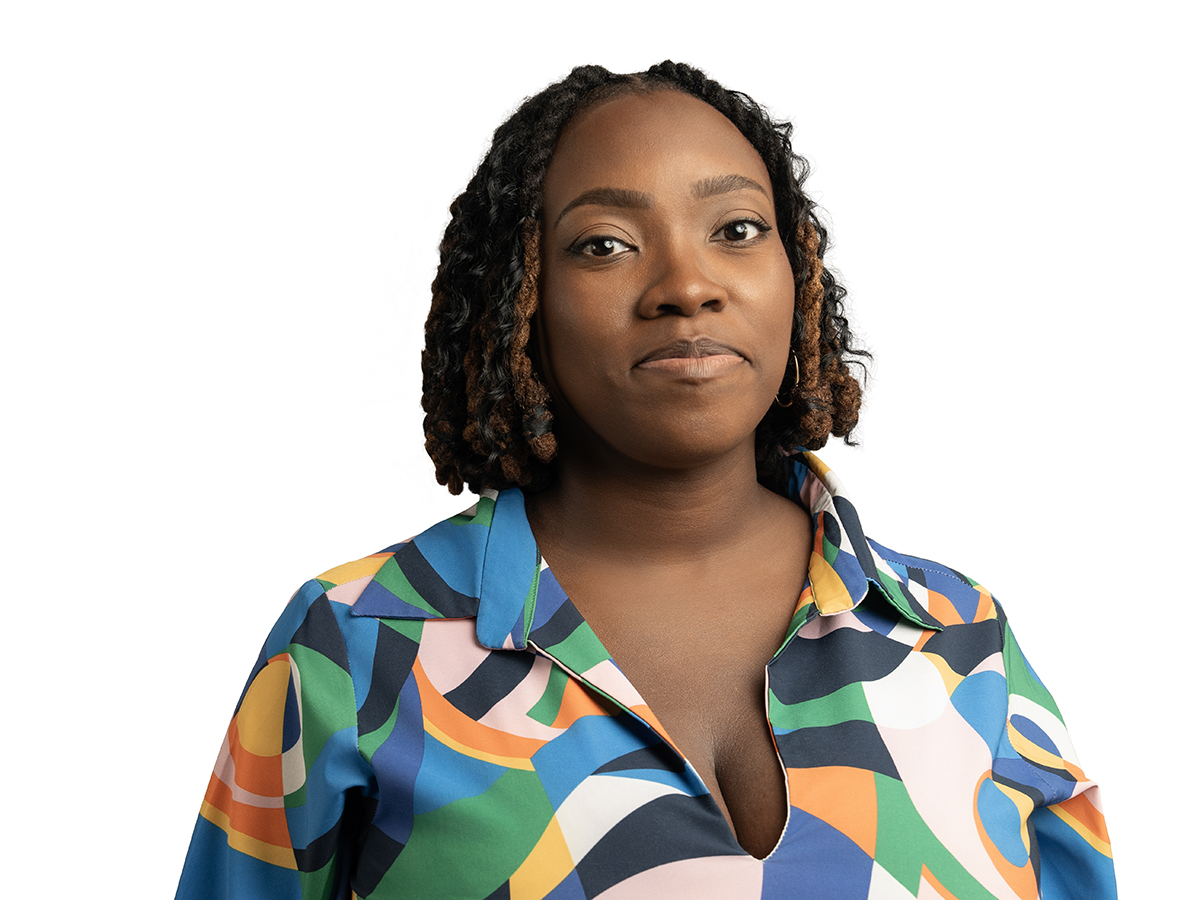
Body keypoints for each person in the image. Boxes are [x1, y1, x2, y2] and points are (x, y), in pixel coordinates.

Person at [175, 62, 1117, 899]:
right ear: (519, 296)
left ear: (797, 273)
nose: (686, 285)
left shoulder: (960, 641)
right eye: (605, 244)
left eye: (736, 229)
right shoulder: (355, 648)